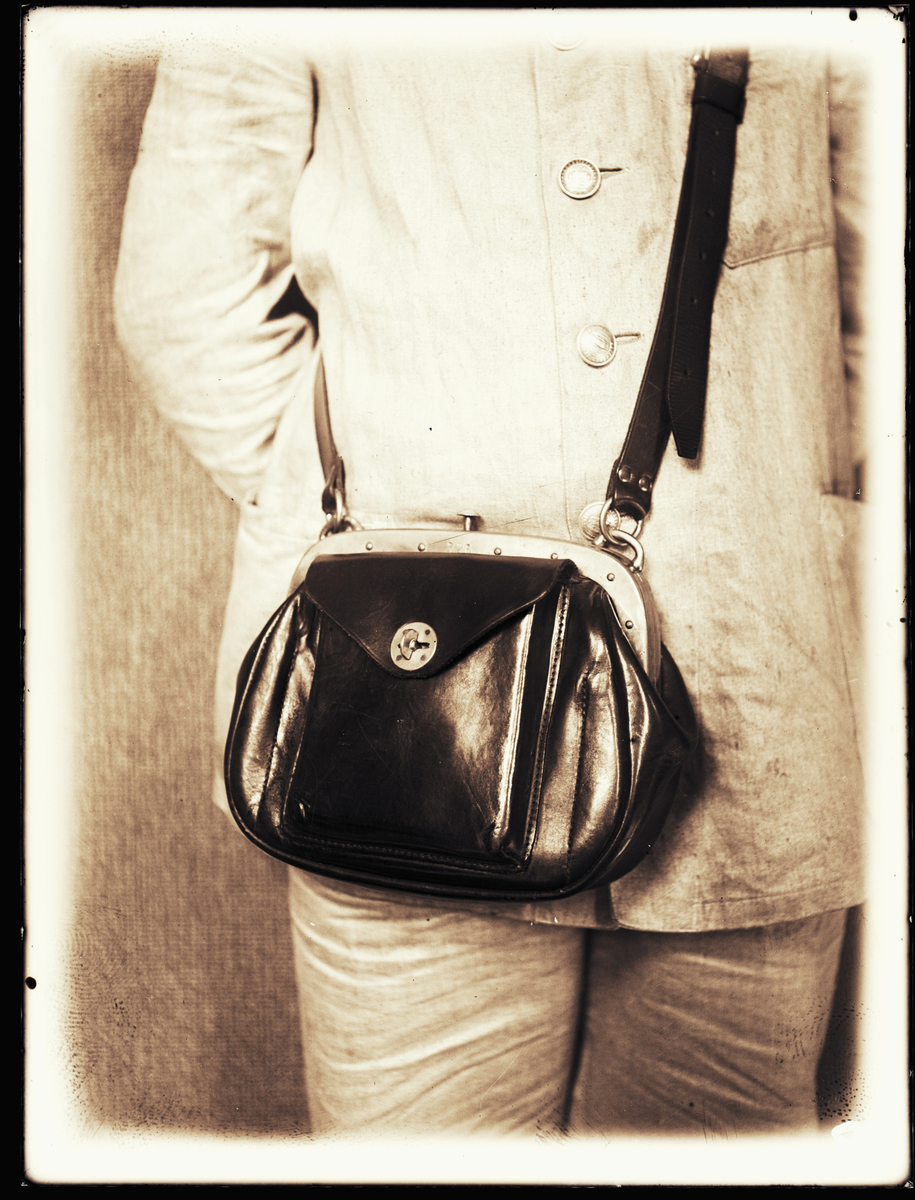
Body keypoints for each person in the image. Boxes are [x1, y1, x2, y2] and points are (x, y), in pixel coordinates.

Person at [114, 14, 867, 1139]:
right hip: (416, 722)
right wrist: (351, 535)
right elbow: (185, 295)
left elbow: (872, 281)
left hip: (750, 698)